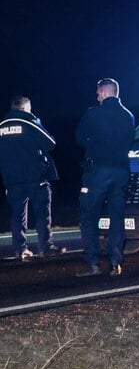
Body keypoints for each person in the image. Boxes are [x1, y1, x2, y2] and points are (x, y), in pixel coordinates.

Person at [75, 78, 135, 277]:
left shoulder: (93, 113)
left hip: (97, 172)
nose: (97, 96)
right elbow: (130, 141)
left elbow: (80, 138)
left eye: (98, 92)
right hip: (120, 172)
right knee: (117, 218)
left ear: (104, 92)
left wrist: (95, 144)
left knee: (89, 216)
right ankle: (116, 262)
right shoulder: (128, 116)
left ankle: (93, 263)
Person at [0, 96, 67, 260]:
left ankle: (19, 249)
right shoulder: (29, 122)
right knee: (42, 213)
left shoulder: (2, 126)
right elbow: (50, 142)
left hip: (12, 178)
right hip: (35, 177)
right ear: (24, 109)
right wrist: (36, 121)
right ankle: (45, 247)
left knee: (17, 215)